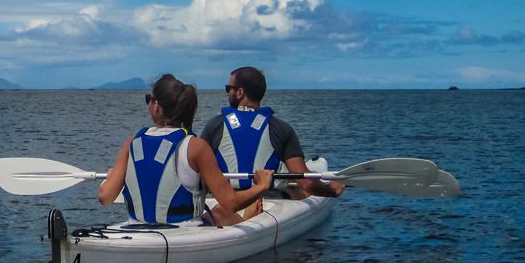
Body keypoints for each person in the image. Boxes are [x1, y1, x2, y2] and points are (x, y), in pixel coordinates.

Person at [98, 73, 273, 227]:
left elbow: (105, 198)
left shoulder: (131, 144)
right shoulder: (196, 147)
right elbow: (230, 202)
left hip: (138, 228)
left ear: (156, 106)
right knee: (222, 211)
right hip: (185, 231)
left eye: (148, 100)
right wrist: (262, 185)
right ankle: (249, 218)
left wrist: (112, 176)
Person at [200, 66, 344, 221]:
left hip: (223, 199)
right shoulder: (281, 128)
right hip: (268, 198)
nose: (227, 92)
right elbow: (305, 182)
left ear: (240, 92)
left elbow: (197, 170)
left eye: (229, 88)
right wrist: (331, 191)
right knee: (296, 189)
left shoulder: (214, 126)